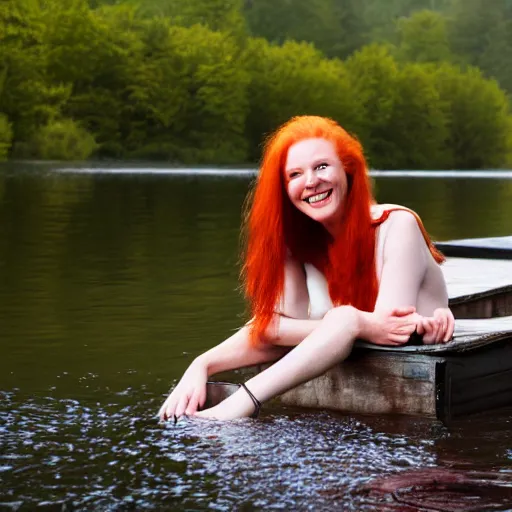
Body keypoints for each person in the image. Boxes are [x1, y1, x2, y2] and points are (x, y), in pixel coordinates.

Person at [158, 115, 455, 422]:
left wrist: (349, 322)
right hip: (356, 363)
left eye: (322, 166)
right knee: (340, 318)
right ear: (284, 188)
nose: (311, 181)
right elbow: (272, 327)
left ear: (348, 169)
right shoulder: (297, 240)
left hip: (409, 367)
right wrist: (202, 365)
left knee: (343, 317)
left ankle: (241, 404)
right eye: (295, 174)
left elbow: (391, 329)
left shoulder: (397, 226)